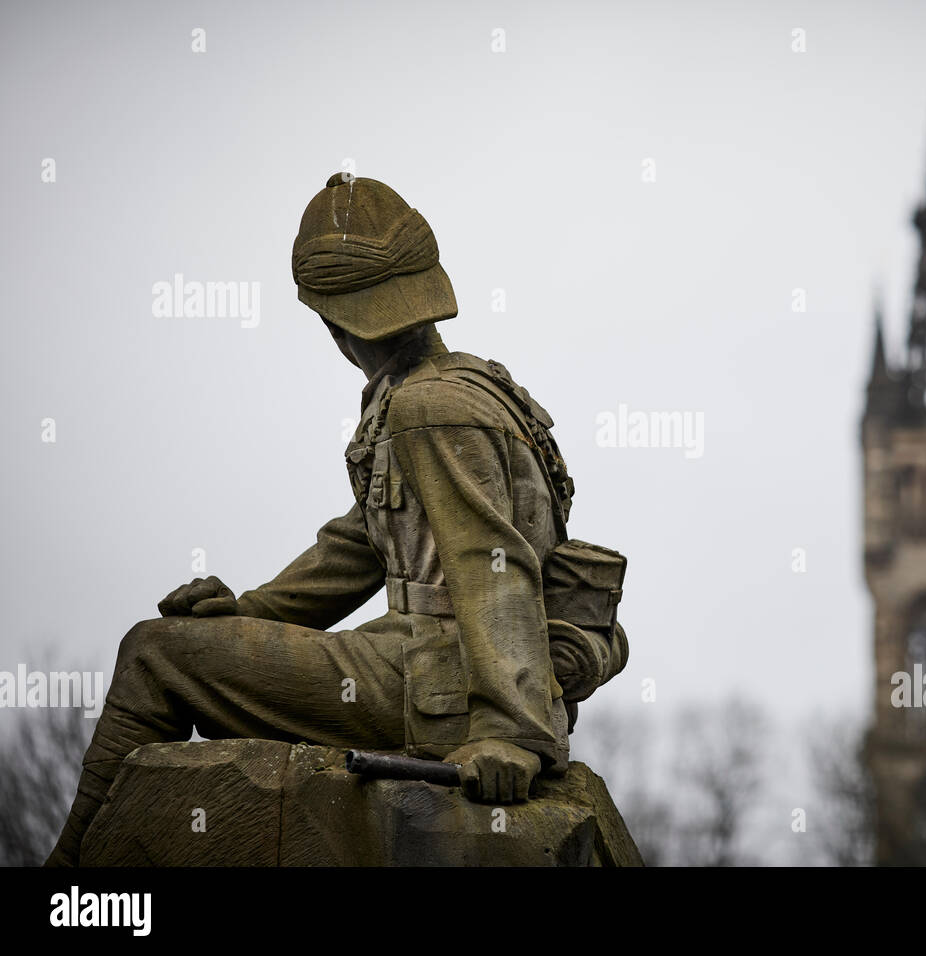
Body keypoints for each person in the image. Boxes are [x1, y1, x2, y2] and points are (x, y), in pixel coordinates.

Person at [47, 174, 625, 866]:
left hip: (439, 688)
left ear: (332, 320)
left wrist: (511, 734)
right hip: (442, 673)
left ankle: (68, 879)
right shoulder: (466, 390)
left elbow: (490, 566)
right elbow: (358, 546)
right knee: (176, 645)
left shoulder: (427, 408)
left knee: (153, 654)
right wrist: (248, 614)